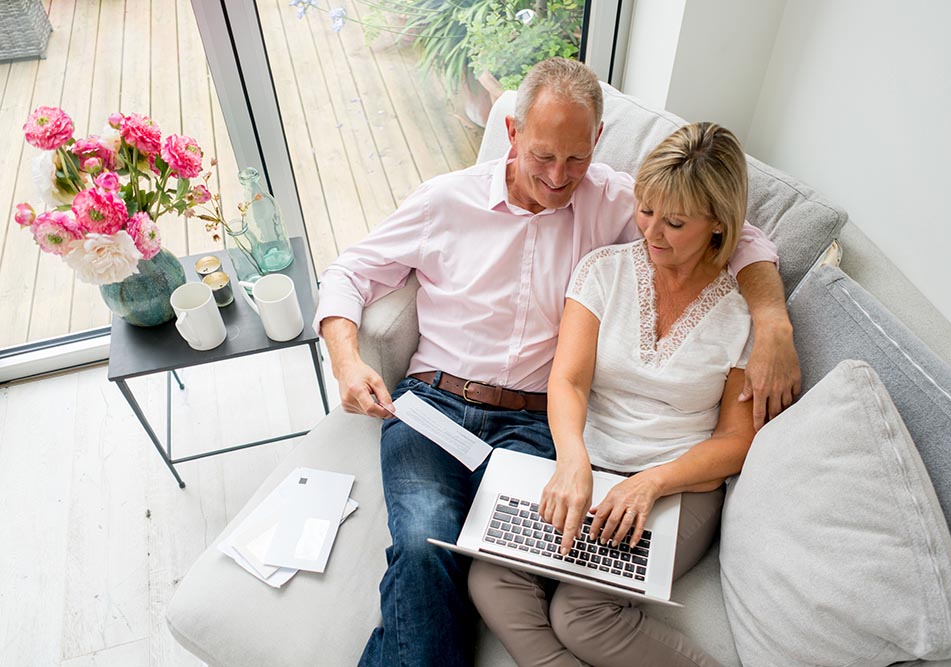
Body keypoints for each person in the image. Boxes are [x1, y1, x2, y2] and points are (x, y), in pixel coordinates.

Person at [314, 58, 793, 666]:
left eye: (576, 158)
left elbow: (738, 236)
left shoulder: (622, 201)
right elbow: (349, 272)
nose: (559, 177)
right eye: (542, 156)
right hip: (433, 406)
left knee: (491, 565)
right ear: (511, 133)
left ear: (597, 140)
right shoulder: (445, 200)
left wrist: (772, 321)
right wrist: (348, 362)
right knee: (423, 543)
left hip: (534, 427)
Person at [467, 121, 755, 667]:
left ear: (718, 224)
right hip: (589, 466)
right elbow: (568, 380)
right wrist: (572, 458)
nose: (652, 233)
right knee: (491, 576)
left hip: (678, 486)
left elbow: (737, 439)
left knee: (579, 615)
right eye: (645, 211)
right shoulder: (603, 271)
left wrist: (651, 484)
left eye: (674, 222)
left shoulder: (742, 315)